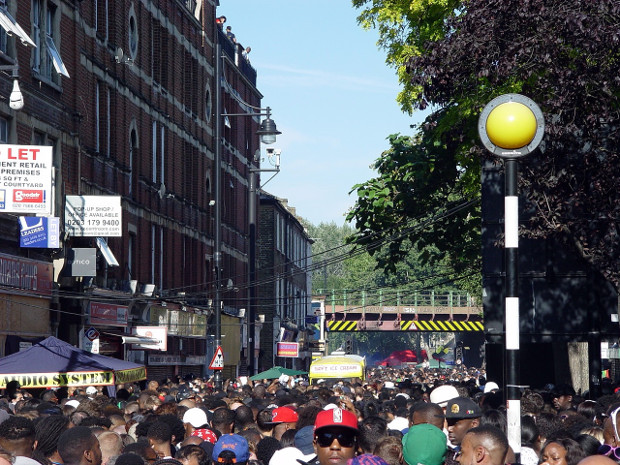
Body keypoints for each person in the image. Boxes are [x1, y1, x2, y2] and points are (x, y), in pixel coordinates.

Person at [444, 397, 482, 465]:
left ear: (474, 424)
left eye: (455, 423)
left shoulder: (482, 456)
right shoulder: (450, 452)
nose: (449, 428)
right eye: (448, 423)